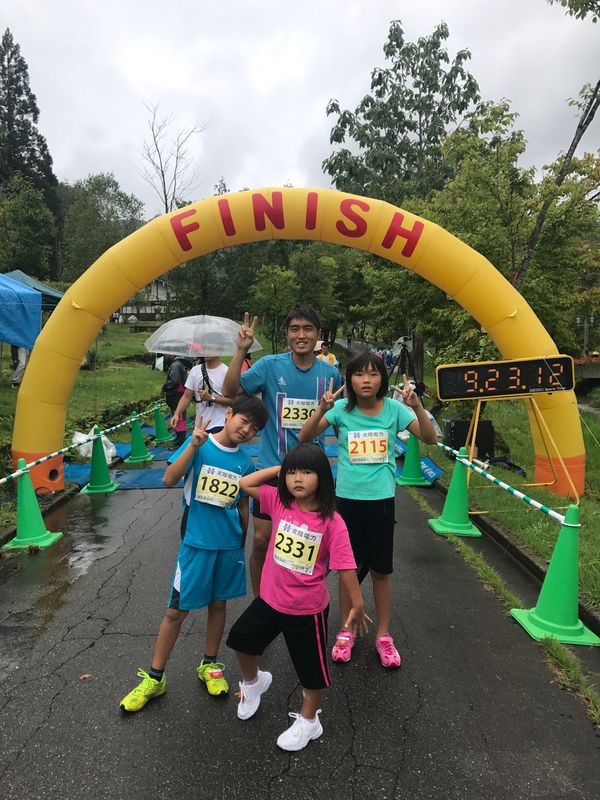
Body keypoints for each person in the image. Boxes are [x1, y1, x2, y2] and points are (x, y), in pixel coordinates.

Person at [119, 394, 268, 713]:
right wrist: (193, 445)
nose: (246, 430)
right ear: (229, 414)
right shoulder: (201, 447)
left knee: (218, 605)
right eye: (243, 421)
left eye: (253, 428)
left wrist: (242, 539)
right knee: (176, 611)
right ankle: (155, 677)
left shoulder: (244, 462)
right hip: (196, 545)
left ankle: (210, 665)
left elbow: (242, 504)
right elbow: (169, 478)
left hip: (228, 547)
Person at [226, 443, 370, 751]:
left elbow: (346, 567)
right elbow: (245, 483)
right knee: (240, 639)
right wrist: (280, 470)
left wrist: (357, 604)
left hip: (306, 610)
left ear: (323, 477)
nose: (298, 479)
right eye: (292, 473)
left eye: (306, 472)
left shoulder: (332, 522)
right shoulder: (279, 502)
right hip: (270, 600)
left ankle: (309, 720)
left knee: (311, 671)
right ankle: (253, 683)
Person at [299, 352, 437, 669]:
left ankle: (384, 635)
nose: (366, 380)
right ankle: (345, 631)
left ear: (381, 381)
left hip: (381, 502)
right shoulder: (340, 410)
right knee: (348, 571)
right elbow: (305, 438)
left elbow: (428, 438)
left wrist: (416, 405)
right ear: (349, 380)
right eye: (359, 374)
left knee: (381, 571)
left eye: (373, 374)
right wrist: (321, 409)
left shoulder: (394, 409)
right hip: (346, 501)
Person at [221, 307, 342, 595]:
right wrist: (240, 351)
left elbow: (339, 420)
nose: (301, 335)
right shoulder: (270, 366)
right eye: (295, 329)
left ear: (318, 335)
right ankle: (262, 602)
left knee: (307, 542)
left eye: (308, 329)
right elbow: (229, 390)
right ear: (287, 334)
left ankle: (298, 601)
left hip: (312, 473)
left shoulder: (332, 374)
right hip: (272, 469)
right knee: (262, 541)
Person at [171, 355, 232, 435]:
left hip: (220, 425)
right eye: (205, 348)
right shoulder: (195, 370)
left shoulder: (226, 372)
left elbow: (233, 401)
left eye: (210, 347)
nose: (206, 352)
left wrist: (211, 398)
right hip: (200, 426)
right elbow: (186, 396)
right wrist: (177, 414)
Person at [162, 355, 191, 447]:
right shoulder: (180, 363)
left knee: (178, 416)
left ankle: (179, 440)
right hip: (179, 393)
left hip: (176, 394)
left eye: (165, 353)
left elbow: (174, 380)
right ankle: (179, 438)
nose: (164, 356)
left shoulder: (176, 364)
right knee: (179, 416)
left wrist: (165, 387)